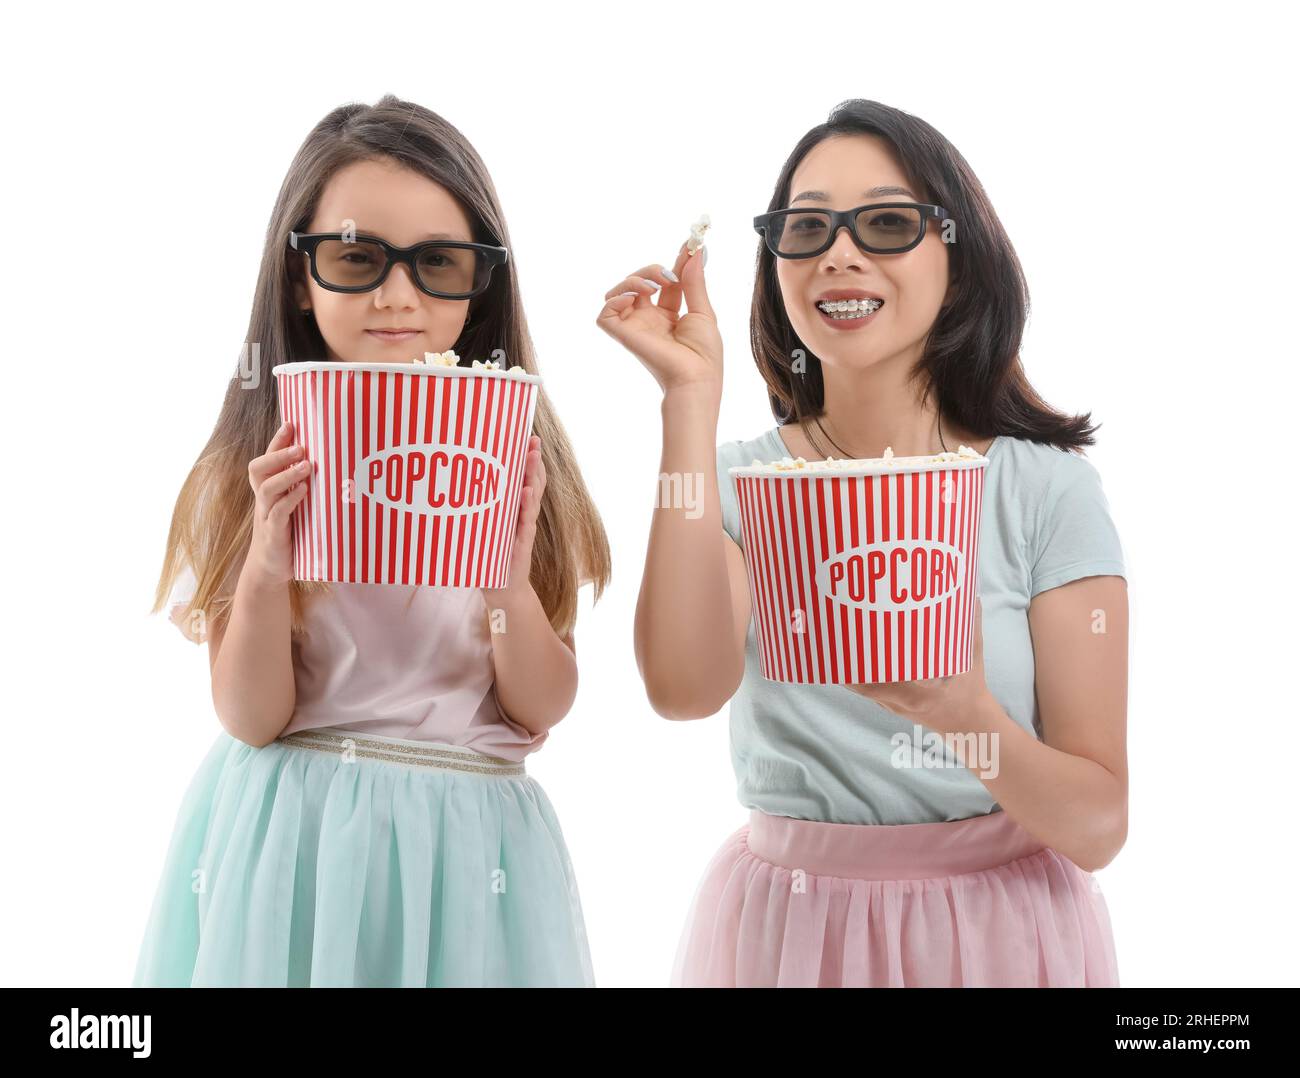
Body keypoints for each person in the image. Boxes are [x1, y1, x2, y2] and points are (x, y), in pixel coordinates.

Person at [598, 98, 1128, 987]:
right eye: (806, 229)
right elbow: (683, 689)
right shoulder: (738, 488)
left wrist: (964, 718)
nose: (839, 253)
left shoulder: (1046, 492)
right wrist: (687, 403)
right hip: (788, 938)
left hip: (997, 942)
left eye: (887, 222)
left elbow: (1098, 825)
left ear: (957, 256)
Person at [134, 95, 610, 987]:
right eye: (356, 257)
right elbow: (251, 717)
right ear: (297, 279)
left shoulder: (518, 465)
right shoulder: (248, 470)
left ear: (484, 282)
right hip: (293, 836)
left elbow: (540, 707)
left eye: (439, 263)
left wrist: (506, 579)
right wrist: (271, 562)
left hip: (473, 851)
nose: (399, 297)